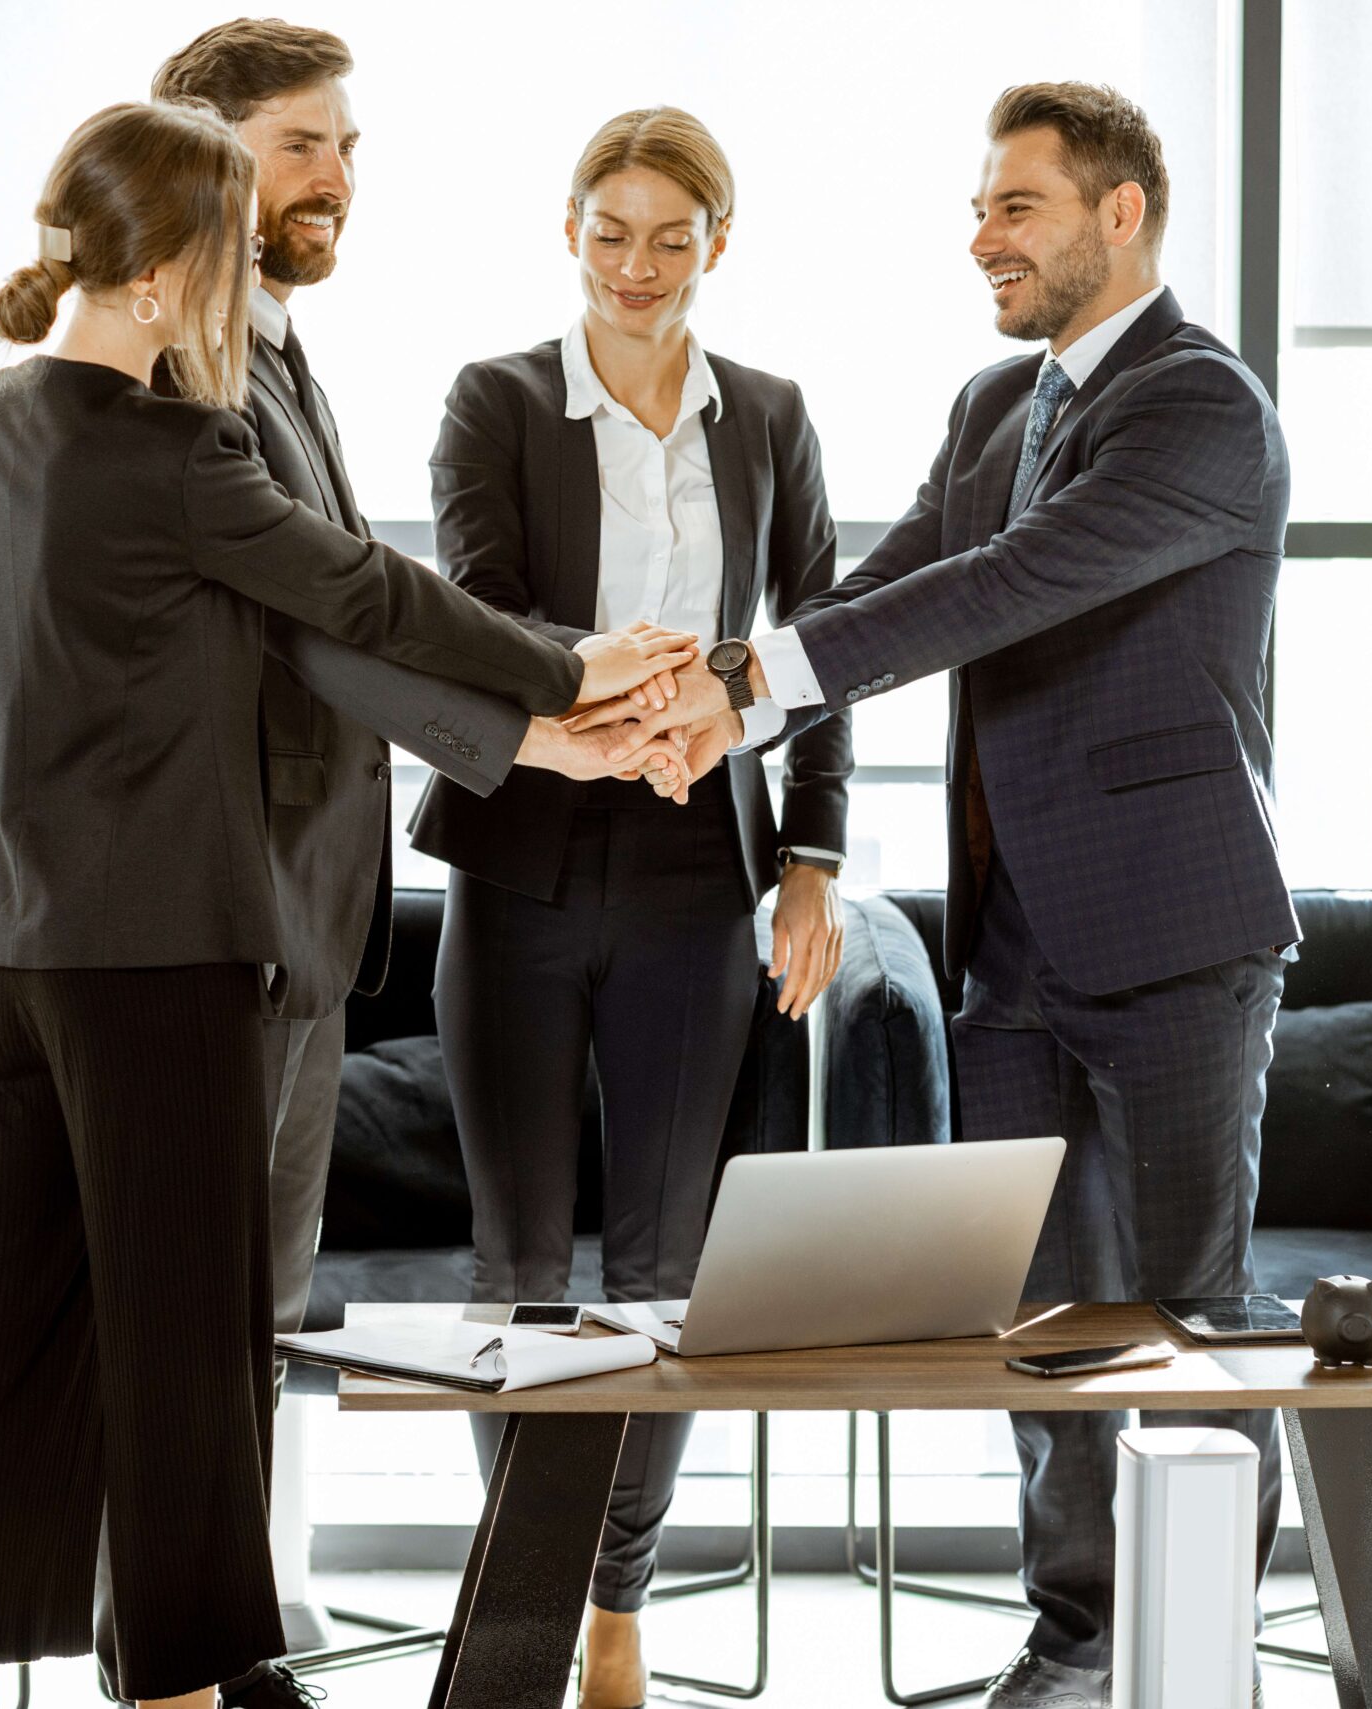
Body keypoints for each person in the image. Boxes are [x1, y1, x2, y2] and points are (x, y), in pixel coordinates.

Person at [0, 100, 685, 1709]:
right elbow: (356, 587)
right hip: (162, 956)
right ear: (166, 274)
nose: (249, 283)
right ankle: (179, 1690)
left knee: (4, 1336)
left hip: (19, 958)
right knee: (186, 1359)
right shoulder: (183, 449)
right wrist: (569, 661)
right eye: (229, 253)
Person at [592, 82, 1296, 1709]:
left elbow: (1007, 586)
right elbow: (902, 571)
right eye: (981, 207)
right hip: (1017, 949)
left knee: (1192, 1313)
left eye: (1017, 208)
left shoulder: (1204, 407)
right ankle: (1073, 1635)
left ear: (1121, 216)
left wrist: (758, 674)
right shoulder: (999, 404)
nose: (982, 237)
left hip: (1180, 934)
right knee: (1049, 1325)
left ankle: (1195, 1654)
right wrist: (711, 682)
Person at [409, 106, 853, 1709]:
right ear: (571, 232)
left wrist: (811, 859)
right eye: (613, 230)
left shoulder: (774, 416)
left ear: (717, 245)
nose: (640, 264)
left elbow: (820, 642)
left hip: (692, 874)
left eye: (674, 235)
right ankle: (518, 1596)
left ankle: (614, 1600)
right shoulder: (500, 401)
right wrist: (635, 696)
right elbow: (476, 611)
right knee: (520, 1259)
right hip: (522, 859)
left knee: (666, 1267)